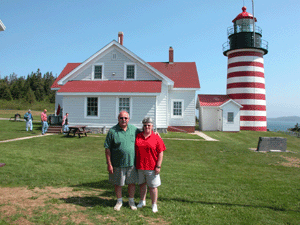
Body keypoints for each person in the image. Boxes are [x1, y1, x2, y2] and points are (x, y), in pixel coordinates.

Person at [104, 111, 140, 211]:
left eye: (125, 118)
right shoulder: (112, 131)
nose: (123, 120)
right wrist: (109, 164)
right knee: (118, 184)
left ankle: (131, 201)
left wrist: (155, 134)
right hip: (117, 163)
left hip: (131, 163)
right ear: (118, 119)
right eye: (121, 118)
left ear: (128, 119)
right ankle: (119, 201)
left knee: (132, 183)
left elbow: (145, 134)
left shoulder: (134, 129)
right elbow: (107, 149)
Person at [135, 117, 166, 213]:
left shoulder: (156, 137)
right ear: (142, 126)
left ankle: (154, 204)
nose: (147, 127)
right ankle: (142, 201)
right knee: (142, 185)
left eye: (149, 125)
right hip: (140, 166)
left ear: (152, 126)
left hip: (152, 167)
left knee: (153, 187)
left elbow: (160, 152)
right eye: (145, 125)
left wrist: (158, 166)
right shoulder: (138, 136)